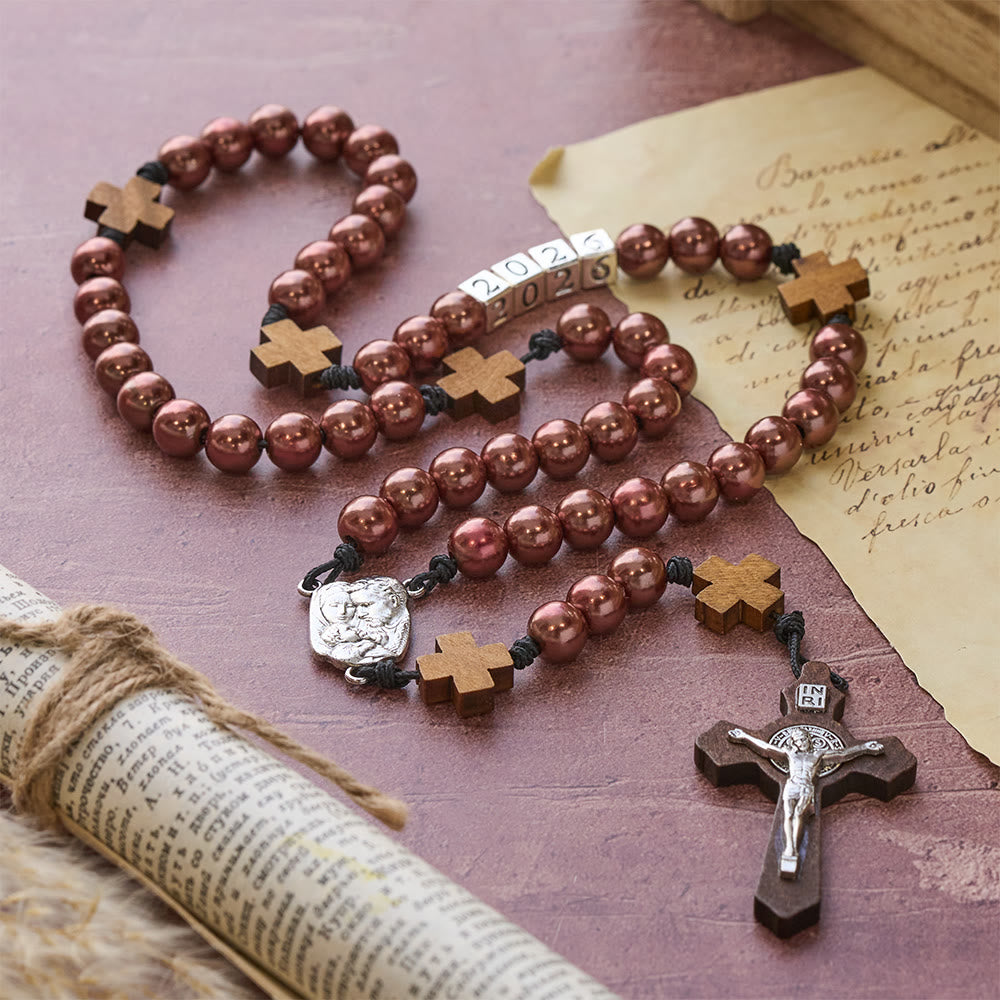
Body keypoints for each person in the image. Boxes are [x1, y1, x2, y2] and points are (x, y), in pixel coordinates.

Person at [727, 725, 883, 878]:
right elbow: (766, 749)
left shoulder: (817, 755)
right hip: (792, 786)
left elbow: (842, 754)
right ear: (794, 743)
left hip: (806, 787)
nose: (801, 742)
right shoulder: (790, 754)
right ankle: (790, 848)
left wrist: (865, 748)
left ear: (809, 739)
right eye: (798, 740)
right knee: (787, 815)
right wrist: (744, 737)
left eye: (803, 739)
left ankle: (794, 848)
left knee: (799, 814)